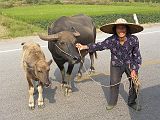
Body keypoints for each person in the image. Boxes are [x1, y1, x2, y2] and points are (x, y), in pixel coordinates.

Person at [76, 18, 143, 110]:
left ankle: (132, 102)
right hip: (116, 64)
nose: (121, 30)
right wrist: (84, 46)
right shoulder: (111, 40)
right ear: (115, 29)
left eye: (123, 28)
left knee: (134, 83)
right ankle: (112, 102)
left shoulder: (134, 39)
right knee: (114, 83)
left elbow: (137, 56)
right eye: (119, 28)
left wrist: (134, 69)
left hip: (130, 64)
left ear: (127, 29)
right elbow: (100, 45)